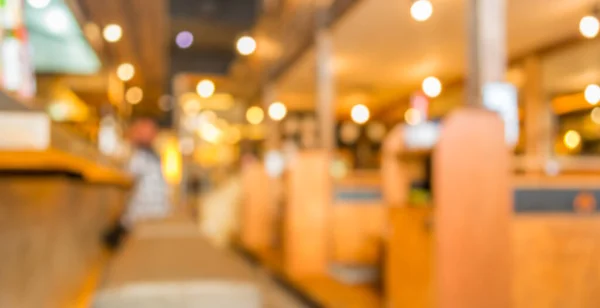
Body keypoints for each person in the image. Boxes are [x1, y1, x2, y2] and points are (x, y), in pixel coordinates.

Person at [104, 116, 171, 249]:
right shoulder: (153, 156)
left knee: (115, 233)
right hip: (159, 211)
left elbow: (126, 177)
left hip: (143, 213)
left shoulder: (140, 156)